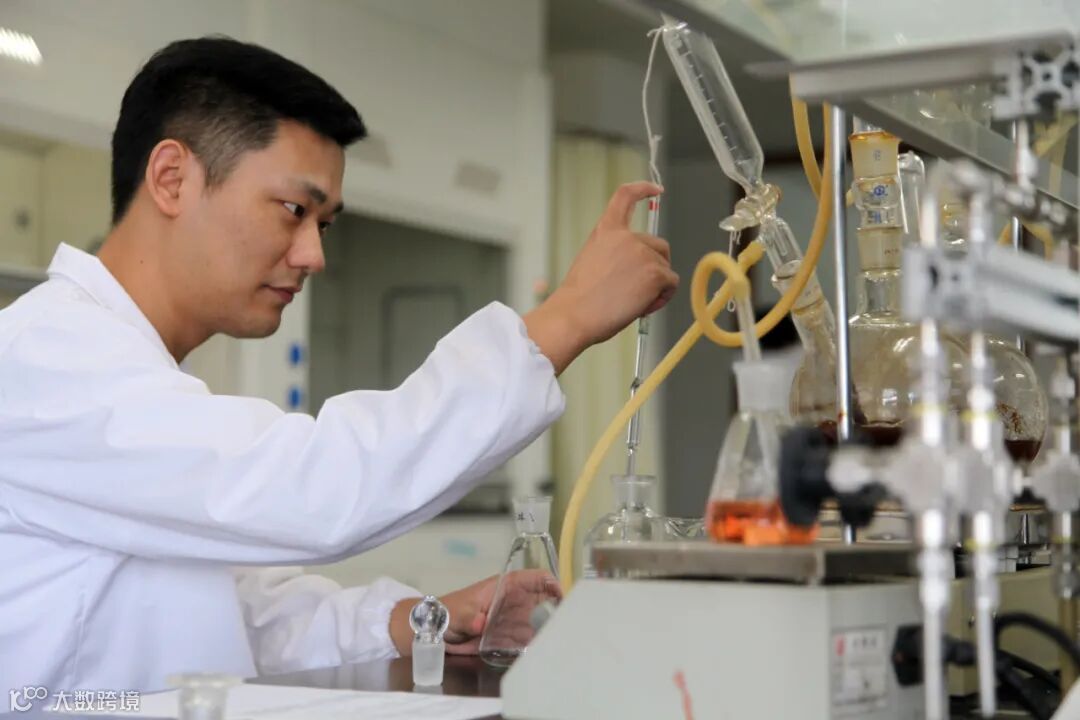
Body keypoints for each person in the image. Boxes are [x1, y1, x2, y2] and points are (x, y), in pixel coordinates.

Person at [0, 37, 677, 692]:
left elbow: (228, 608)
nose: (313, 256)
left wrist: (418, 620)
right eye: (293, 210)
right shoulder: (49, 360)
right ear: (172, 178)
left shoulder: (118, 368)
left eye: (322, 224)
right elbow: (315, 485)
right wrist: (568, 317)